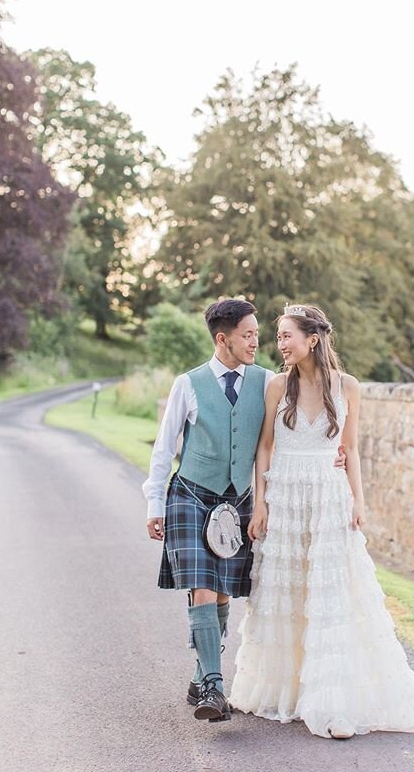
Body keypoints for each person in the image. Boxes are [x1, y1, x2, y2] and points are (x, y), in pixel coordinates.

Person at [230, 304, 414, 739]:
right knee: (286, 592)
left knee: (331, 596)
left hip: (329, 495)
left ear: (312, 339)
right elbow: (264, 448)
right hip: (285, 496)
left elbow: (352, 448)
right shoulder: (276, 386)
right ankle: (280, 689)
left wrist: (358, 501)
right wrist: (262, 502)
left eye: (286, 335)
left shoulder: (348, 387)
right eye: (278, 336)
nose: (279, 343)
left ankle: (331, 702)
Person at [144, 299, 274, 723]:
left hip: (238, 501)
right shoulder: (188, 383)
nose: (256, 341)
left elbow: (279, 440)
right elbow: (164, 449)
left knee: (221, 594)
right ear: (223, 339)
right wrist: (154, 503)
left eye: (257, 333)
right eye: (248, 334)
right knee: (202, 585)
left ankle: (201, 674)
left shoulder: (267, 382)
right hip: (190, 495)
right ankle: (215, 688)